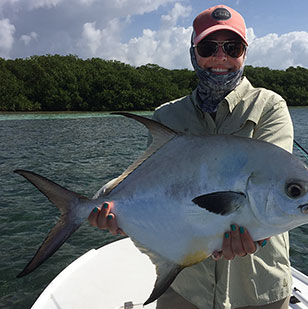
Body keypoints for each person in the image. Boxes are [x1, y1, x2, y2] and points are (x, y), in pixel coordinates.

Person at [88, 4, 293, 309]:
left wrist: (257, 236)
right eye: (209, 47)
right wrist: (108, 200)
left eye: (232, 47)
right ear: (193, 52)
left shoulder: (269, 108)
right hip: (185, 286)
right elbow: (152, 185)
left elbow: (277, 189)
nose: (221, 57)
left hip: (256, 287)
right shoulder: (167, 116)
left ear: (244, 53)